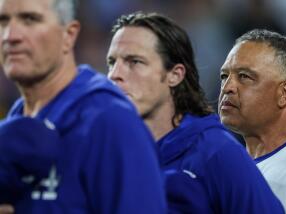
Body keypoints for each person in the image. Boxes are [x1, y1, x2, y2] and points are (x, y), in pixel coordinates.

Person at [107, 12, 284, 214]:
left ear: (174, 75)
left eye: (134, 62)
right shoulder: (111, 154)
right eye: (112, 62)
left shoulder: (216, 152)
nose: (114, 74)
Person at [0, 0, 167, 213]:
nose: (10, 36)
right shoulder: (14, 125)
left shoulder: (110, 122)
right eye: (3, 21)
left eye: (30, 19)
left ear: (68, 35)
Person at [219, 29, 286, 214]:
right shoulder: (223, 172)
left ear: (284, 94)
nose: (227, 88)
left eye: (244, 76)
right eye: (224, 76)